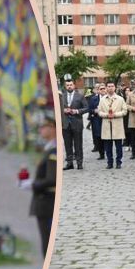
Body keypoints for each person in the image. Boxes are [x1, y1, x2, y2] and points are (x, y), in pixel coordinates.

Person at [31, 116, 57, 254]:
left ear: (52, 128)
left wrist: (33, 184)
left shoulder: (53, 150)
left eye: (44, 126)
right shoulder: (48, 148)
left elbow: (52, 179)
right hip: (45, 201)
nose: (41, 130)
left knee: (47, 244)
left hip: (47, 201)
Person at [97, 80, 127, 169]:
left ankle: (119, 162)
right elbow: (99, 112)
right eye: (109, 86)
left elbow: (124, 111)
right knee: (107, 146)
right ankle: (109, 162)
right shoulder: (102, 100)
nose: (110, 88)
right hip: (106, 125)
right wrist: (106, 115)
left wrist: (115, 114)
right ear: (106, 88)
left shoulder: (120, 99)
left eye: (112, 86)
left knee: (118, 146)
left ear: (115, 87)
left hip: (117, 125)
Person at [58, 75, 86, 170]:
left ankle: (79, 162)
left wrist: (77, 111)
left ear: (74, 85)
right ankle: (69, 163)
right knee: (67, 144)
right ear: (65, 86)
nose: (69, 86)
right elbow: (57, 108)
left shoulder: (80, 96)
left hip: (77, 122)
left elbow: (86, 108)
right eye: (67, 85)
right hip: (65, 124)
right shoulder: (62, 96)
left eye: (71, 85)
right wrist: (63, 111)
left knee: (78, 144)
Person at [87, 83, 104, 160]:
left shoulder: (109, 98)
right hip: (97, 119)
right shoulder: (93, 98)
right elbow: (89, 109)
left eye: (104, 89)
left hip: (107, 119)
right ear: (98, 90)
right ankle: (101, 154)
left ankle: (108, 151)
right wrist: (94, 111)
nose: (102, 90)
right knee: (99, 136)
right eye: (101, 89)